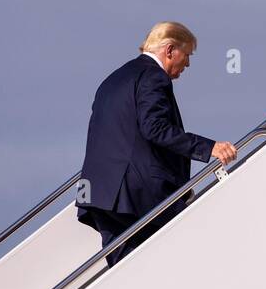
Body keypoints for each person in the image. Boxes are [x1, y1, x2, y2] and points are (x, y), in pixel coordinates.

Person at [75, 21, 238, 267]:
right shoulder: (153, 76)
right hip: (134, 193)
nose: (188, 63)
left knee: (126, 273)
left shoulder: (115, 79)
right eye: (187, 54)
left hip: (101, 193)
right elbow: (155, 128)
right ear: (170, 50)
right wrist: (209, 148)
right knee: (185, 252)